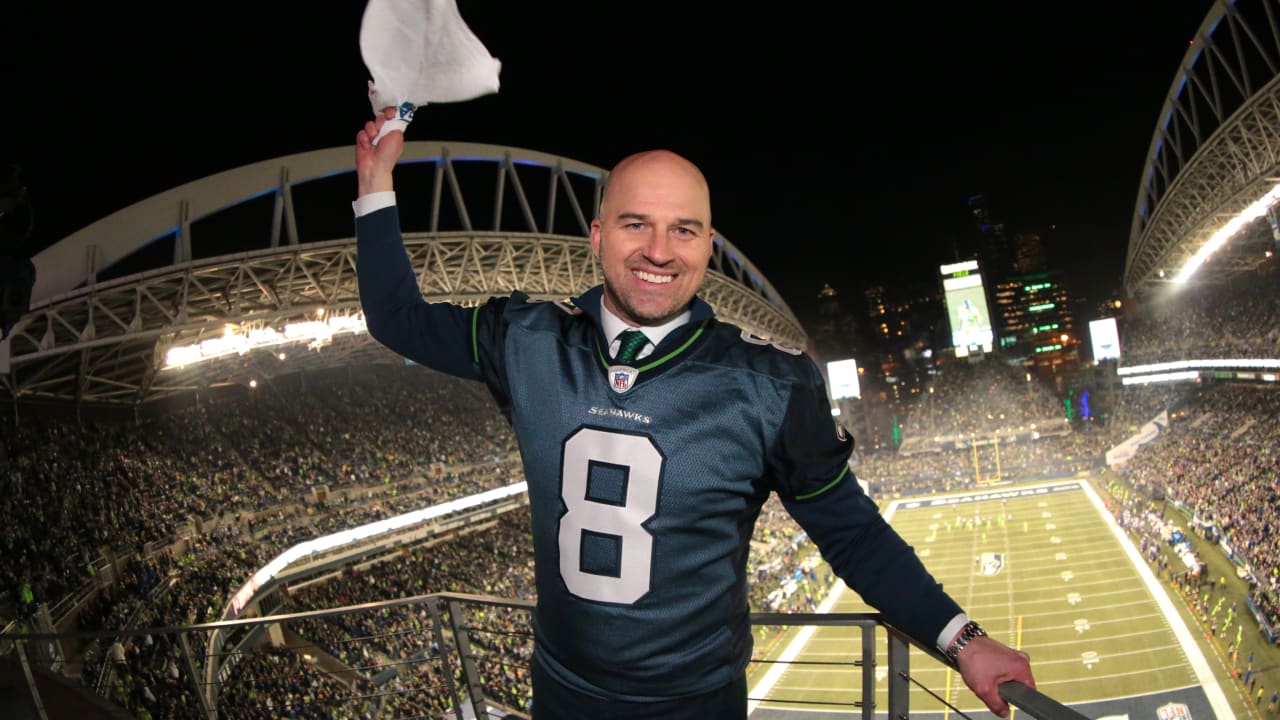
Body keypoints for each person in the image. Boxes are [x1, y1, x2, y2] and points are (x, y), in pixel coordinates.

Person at [353, 107, 1035, 718]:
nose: (658, 250)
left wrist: (963, 639)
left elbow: (852, 534)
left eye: (684, 230)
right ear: (596, 235)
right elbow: (397, 317)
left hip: (697, 703)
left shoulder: (769, 380)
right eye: (635, 225)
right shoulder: (525, 337)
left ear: (708, 244)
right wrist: (377, 181)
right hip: (562, 693)